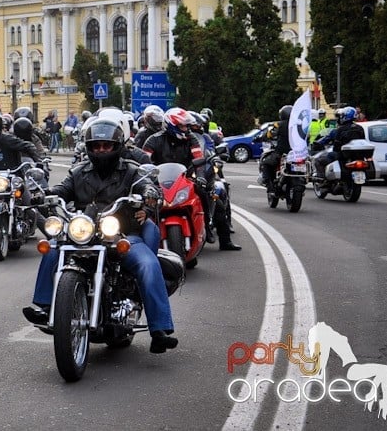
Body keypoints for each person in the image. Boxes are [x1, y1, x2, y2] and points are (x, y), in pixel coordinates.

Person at [22, 117, 178, 354]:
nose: (101, 150)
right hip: (85, 232)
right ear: (89, 147)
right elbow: (62, 189)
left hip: (122, 233)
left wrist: (148, 194)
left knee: (147, 263)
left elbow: (149, 186)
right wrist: (45, 193)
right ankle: (45, 306)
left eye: (106, 146)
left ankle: (159, 329)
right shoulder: (78, 172)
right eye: (96, 146)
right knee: (53, 248)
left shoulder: (132, 171)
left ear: (116, 146)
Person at [142, 107, 240, 251]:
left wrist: (200, 178)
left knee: (214, 200)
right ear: (171, 125)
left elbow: (199, 159)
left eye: (187, 125)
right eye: (182, 126)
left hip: (186, 178)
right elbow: (144, 162)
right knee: (142, 202)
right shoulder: (153, 140)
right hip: (159, 180)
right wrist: (147, 179)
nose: (186, 129)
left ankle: (216, 232)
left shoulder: (191, 139)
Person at [313, 106, 365, 175]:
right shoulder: (359, 128)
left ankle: (323, 179)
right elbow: (363, 141)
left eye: (341, 116)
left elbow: (335, 144)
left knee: (319, 161)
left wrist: (317, 144)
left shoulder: (340, 129)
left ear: (345, 116)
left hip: (342, 156)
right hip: (357, 156)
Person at [258, 105, 292, 190]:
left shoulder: (279, 124)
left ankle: (269, 185)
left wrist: (264, 136)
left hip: (282, 152)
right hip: (298, 153)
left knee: (266, 163)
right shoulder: (299, 125)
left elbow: (270, 134)